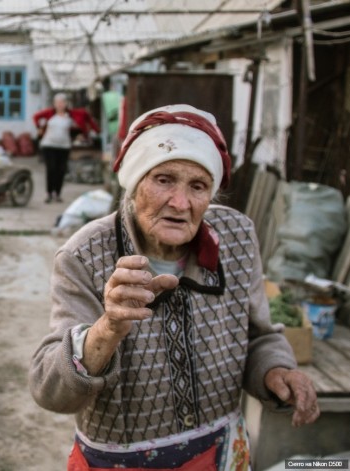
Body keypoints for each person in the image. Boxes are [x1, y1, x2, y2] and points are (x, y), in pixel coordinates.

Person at [29, 104, 319, 470]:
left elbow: (258, 336)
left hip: (221, 453)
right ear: (135, 184)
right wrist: (108, 328)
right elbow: (50, 390)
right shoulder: (84, 254)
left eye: (198, 186)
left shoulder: (237, 236)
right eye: (164, 180)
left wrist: (277, 371)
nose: (181, 204)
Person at [34, 93, 100, 203]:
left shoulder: (71, 115)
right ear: (54, 104)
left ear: (66, 104)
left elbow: (85, 119)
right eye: (58, 102)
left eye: (62, 102)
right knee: (51, 169)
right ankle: (49, 193)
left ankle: (57, 193)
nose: (60, 105)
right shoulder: (49, 114)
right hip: (49, 145)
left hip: (64, 146)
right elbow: (36, 117)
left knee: (61, 170)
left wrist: (90, 131)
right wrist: (39, 128)